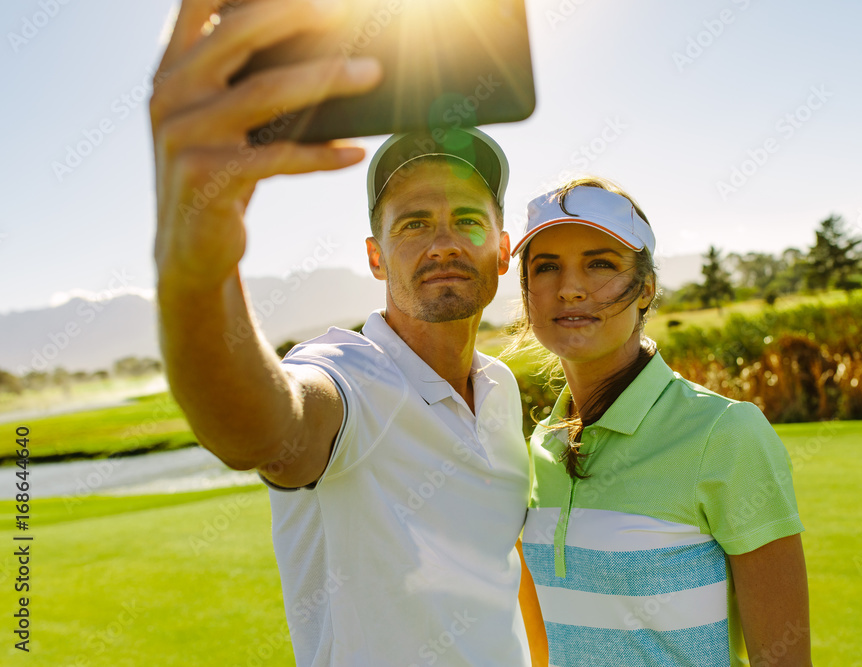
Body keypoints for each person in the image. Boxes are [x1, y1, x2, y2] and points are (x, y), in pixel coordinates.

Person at [150, 2, 545, 664]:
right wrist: (195, 269)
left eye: (468, 221)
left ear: (503, 248)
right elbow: (264, 427)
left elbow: (504, 557)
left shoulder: (500, 388)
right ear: (375, 256)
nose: (444, 241)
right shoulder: (351, 375)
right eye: (414, 223)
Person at [509, 177, 811, 666]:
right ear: (526, 292)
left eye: (600, 264)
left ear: (646, 288)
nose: (569, 288)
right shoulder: (540, 446)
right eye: (546, 267)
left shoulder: (726, 433)